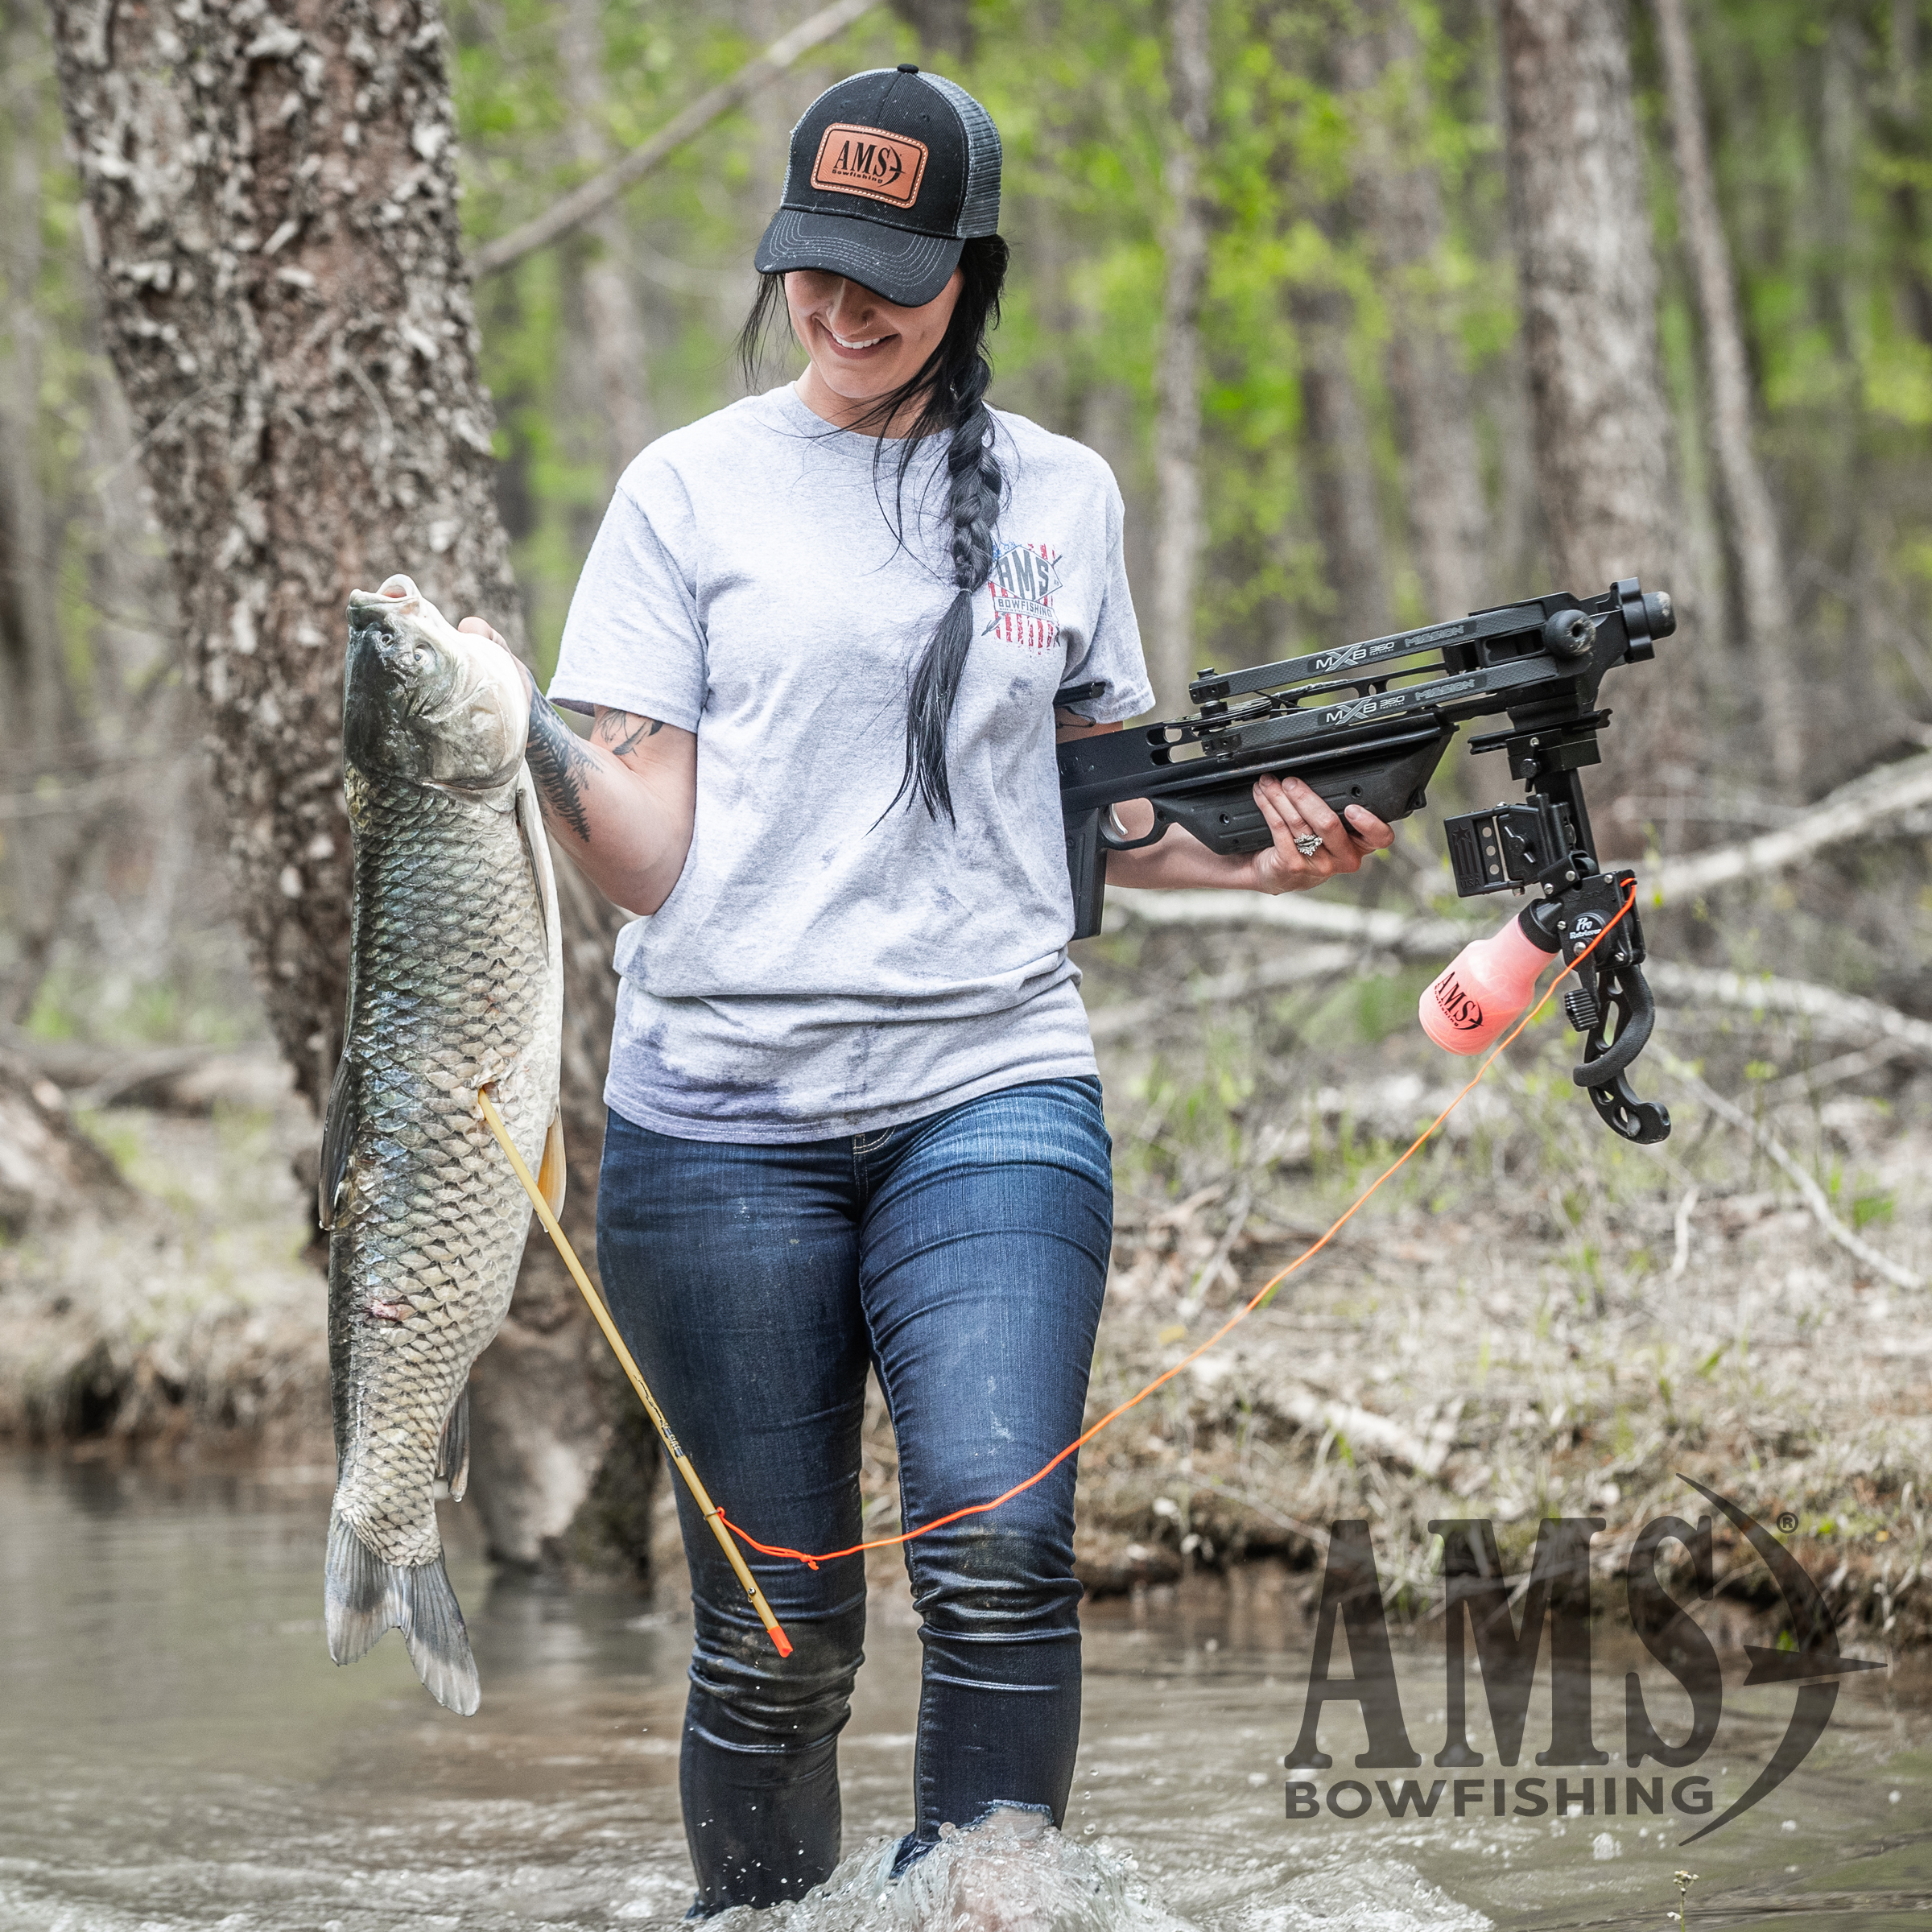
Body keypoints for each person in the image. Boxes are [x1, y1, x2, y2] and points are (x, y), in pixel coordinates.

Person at [461, 64, 1392, 1914]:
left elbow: (1096, 814)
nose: (842, 304)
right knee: (779, 1633)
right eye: (814, 263)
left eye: (887, 268)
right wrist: (523, 735)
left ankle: (990, 1904)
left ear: (976, 266)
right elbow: (643, 854)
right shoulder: (686, 492)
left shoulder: (1065, 495)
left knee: (999, 1553)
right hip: (718, 1124)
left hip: (994, 1087)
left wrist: (1268, 842)